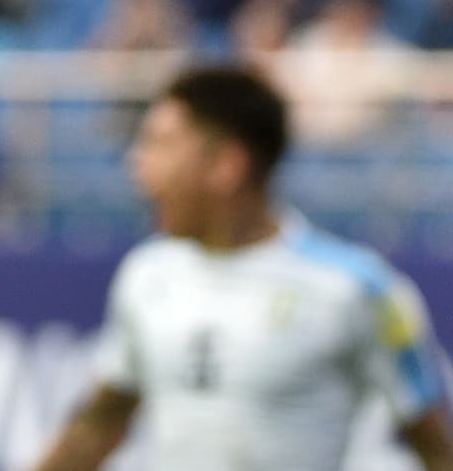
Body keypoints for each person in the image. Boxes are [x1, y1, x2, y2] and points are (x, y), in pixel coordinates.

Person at [31, 65, 453, 471]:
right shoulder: (146, 275)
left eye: (160, 144)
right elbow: (98, 425)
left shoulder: (356, 288)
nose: (138, 166)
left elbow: (436, 448)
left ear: (226, 165)